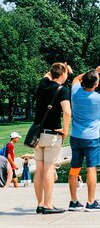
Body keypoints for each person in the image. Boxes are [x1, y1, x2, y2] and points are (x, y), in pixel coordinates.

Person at [67, 67, 100, 212]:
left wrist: (93, 71)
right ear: (96, 84)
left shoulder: (75, 93)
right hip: (91, 138)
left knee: (74, 169)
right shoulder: (98, 98)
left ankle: (74, 201)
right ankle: (91, 201)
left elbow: (75, 79)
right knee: (91, 168)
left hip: (76, 136)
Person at [33, 62, 72, 214]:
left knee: (39, 169)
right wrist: (65, 130)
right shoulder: (62, 90)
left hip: (37, 134)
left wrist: (61, 68)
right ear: (62, 75)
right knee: (49, 168)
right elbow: (67, 112)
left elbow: (48, 75)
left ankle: (40, 203)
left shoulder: (42, 84)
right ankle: (48, 204)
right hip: (52, 134)